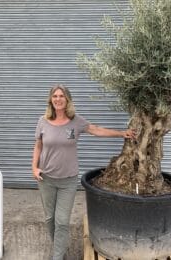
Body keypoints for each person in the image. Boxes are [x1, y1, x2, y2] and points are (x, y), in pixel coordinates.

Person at [32, 84, 135, 260]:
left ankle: (56, 256)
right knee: (50, 219)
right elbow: (38, 145)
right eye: (55, 96)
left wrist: (121, 133)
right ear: (51, 99)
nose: (58, 99)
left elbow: (96, 130)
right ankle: (60, 249)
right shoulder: (43, 121)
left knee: (62, 221)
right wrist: (34, 167)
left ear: (67, 99)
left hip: (68, 181)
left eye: (61, 96)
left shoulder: (76, 121)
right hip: (46, 179)